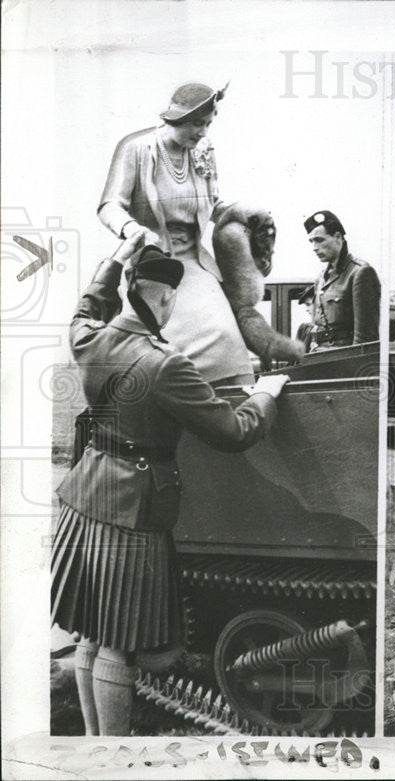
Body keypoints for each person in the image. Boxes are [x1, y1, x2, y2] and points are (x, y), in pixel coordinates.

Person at [51, 233, 290, 736]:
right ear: (161, 299)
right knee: (118, 642)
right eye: (171, 301)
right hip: (133, 510)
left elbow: (87, 304)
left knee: (90, 637)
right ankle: (111, 759)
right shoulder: (165, 365)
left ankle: (95, 748)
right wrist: (266, 395)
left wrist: (115, 258)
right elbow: (233, 432)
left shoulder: (89, 337)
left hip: (84, 494)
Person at [98, 81, 254, 384]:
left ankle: (232, 417)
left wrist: (245, 215)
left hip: (195, 265)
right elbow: (109, 206)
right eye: (197, 124)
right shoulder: (137, 149)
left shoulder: (204, 152)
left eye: (208, 124)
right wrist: (132, 229)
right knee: (163, 357)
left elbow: (213, 206)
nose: (203, 132)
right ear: (176, 118)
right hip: (155, 268)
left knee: (226, 337)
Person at [300, 210, 381, 349]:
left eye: (319, 240)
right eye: (311, 241)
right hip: (319, 359)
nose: (314, 248)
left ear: (338, 237)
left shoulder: (360, 273)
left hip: (343, 363)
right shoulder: (321, 278)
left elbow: (365, 340)